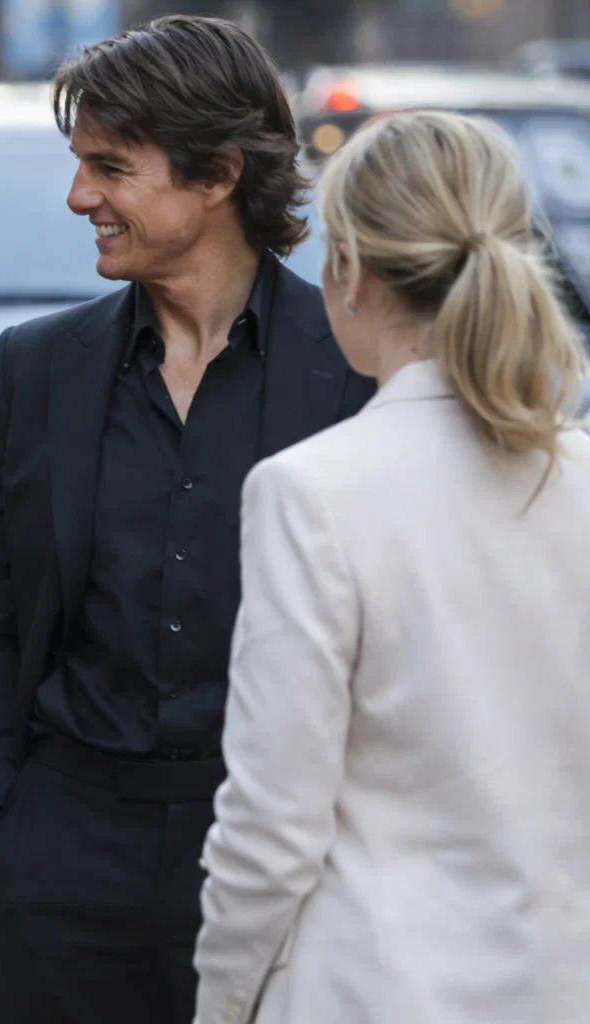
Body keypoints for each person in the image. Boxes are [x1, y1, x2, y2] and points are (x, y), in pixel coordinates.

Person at [0, 15, 375, 1023]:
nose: (78, 196)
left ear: (218, 174)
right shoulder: (38, 365)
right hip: (62, 856)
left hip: (284, 855)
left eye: (110, 167)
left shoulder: (354, 366)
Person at [193, 111, 590, 1024]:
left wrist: (222, 1000)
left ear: (351, 269)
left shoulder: (310, 493)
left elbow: (272, 825)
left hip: (373, 987)